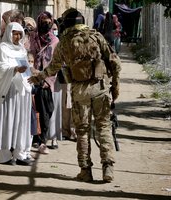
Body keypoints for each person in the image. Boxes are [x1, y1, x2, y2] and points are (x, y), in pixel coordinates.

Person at [28, 8, 121, 183]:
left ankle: (85, 171)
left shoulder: (65, 41)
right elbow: (115, 63)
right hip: (100, 88)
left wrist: (37, 77)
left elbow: (53, 68)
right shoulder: (97, 36)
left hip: (80, 92)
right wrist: (115, 87)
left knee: (83, 131)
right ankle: (108, 168)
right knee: (104, 128)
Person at [0, 22, 33, 166]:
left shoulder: (21, 49)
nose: (17, 36)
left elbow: (26, 67)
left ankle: (20, 154)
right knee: (6, 120)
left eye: (20, 33)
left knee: (21, 122)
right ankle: (4, 155)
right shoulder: (2, 49)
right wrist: (14, 69)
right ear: (9, 33)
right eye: (15, 33)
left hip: (22, 92)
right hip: (8, 91)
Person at [29, 11, 60, 154]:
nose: (46, 24)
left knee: (48, 110)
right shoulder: (32, 38)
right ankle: (39, 141)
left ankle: (42, 138)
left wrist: (47, 79)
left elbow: (56, 62)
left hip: (47, 81)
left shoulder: (54, 41)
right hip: (32, 79)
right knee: (35, 111)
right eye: (44, 21)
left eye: (49, 22)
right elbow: (28, 55)